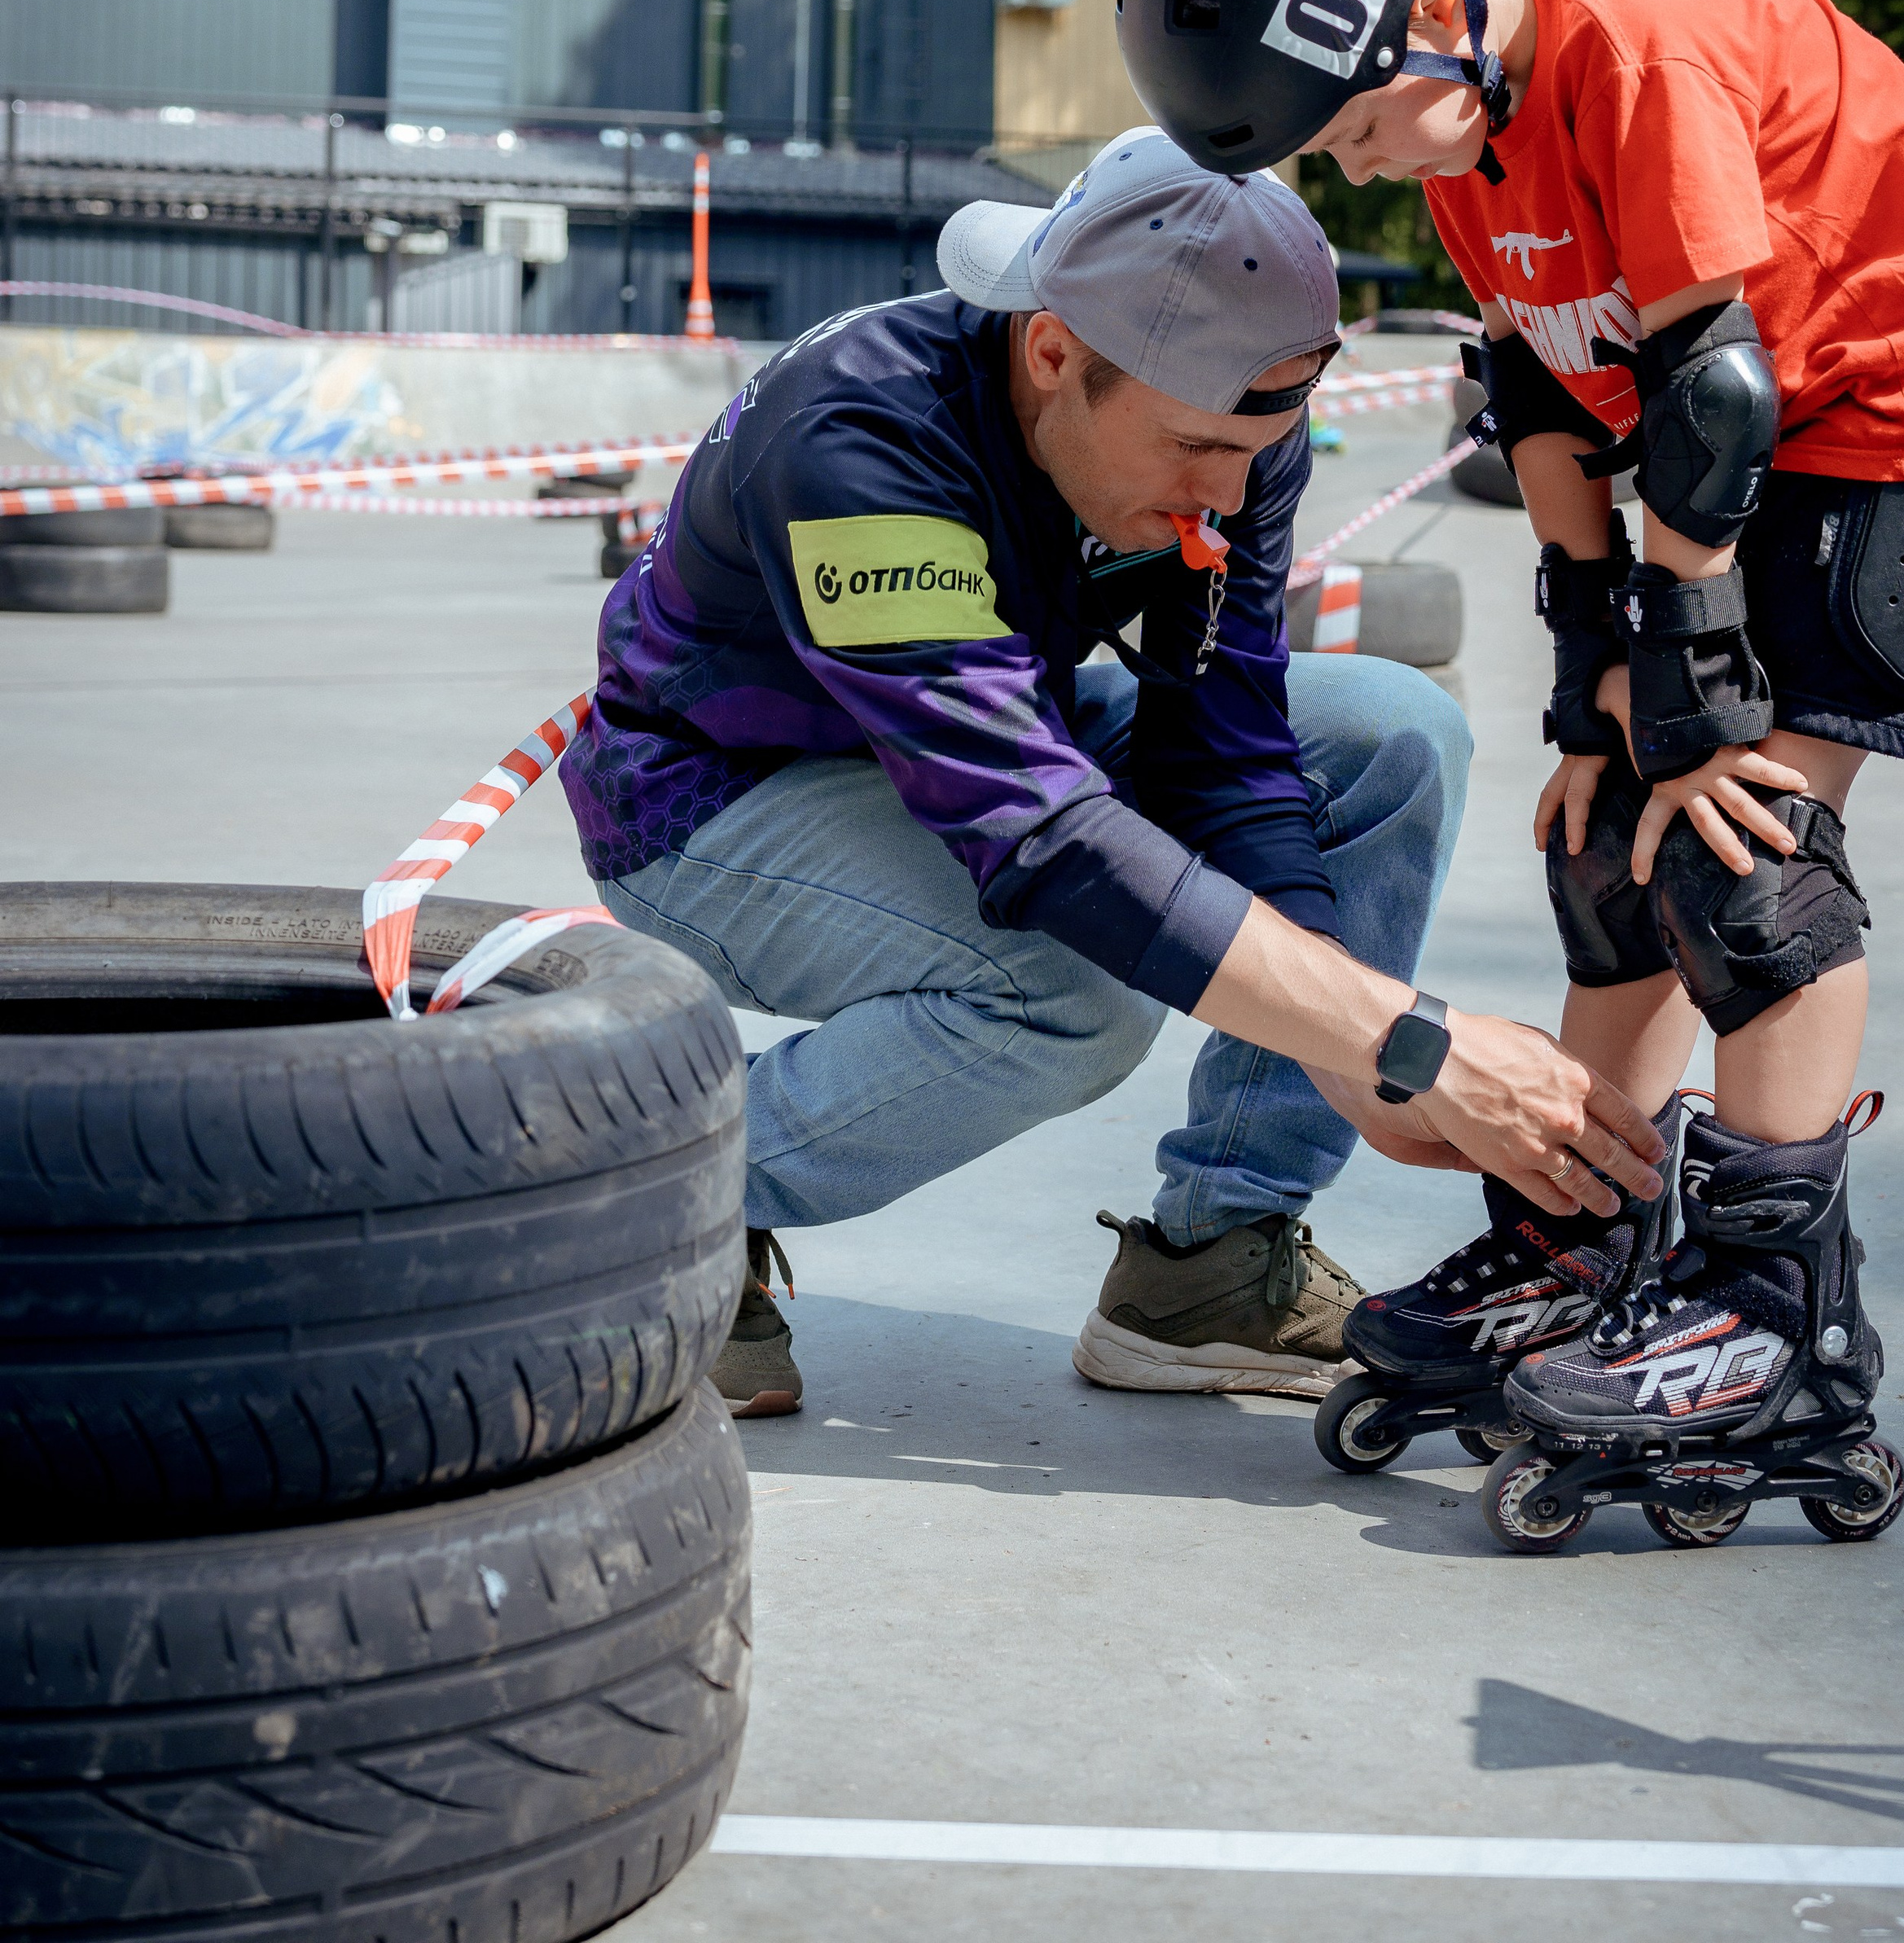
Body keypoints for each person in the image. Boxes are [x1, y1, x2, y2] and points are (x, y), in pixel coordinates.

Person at [1118, 0, 1904, 1480]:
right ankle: (1588, 1241)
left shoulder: (1631, 51)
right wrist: (1590, 684)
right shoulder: (1457, 123)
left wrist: (1693, 689)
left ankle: (1768, 1320)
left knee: (1738, 853)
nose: (1346, 170)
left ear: (1432, 11)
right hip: (1767, 426)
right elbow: (1534, 390)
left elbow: (1705, 391)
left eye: (1343, 135)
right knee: (1601, 838)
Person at [558, 128, 1667, 1418]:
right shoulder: (859, 442)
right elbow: (1042, 840)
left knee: (1391, 731)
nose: (1230, 496)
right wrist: (1405, 1039)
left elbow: (1229, 755)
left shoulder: (1227, 427)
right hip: (715, 798)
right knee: (1071, 995)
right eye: (1196, 450)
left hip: (984, 732)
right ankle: (662, 1208)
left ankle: (1212, 1266)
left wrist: (1352, 1056)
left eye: (1259, 450)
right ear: (1052, 354)